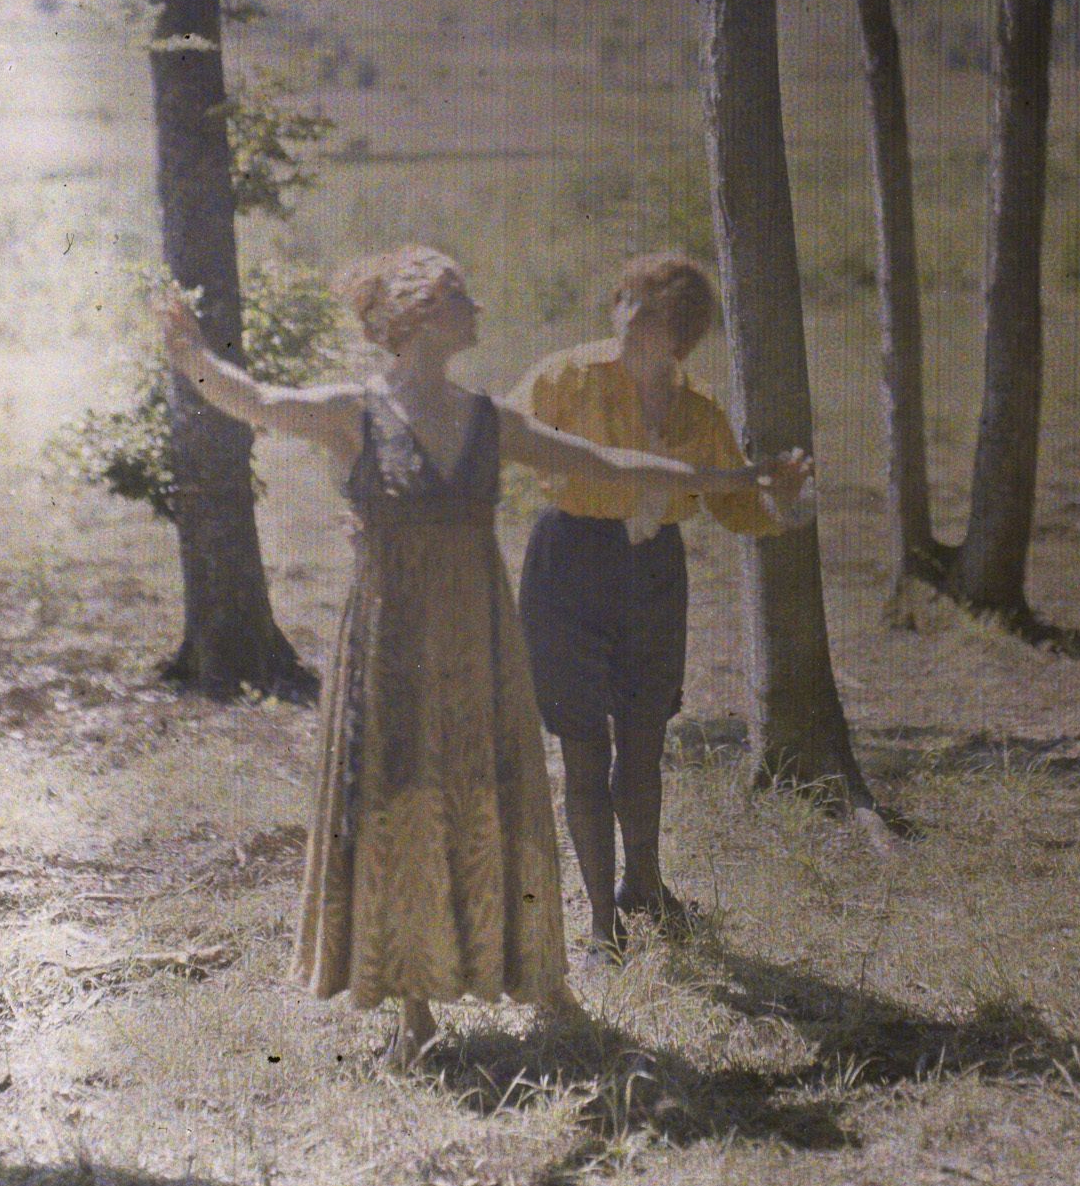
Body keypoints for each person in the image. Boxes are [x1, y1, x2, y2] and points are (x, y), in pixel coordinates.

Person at [159, 245, 772, 1069]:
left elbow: (604, 463)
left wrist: (740, 476)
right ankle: (412, 1012)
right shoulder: (355, 411)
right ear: (419, 316)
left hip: (483, 639)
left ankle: (544, 980)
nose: (479, 310)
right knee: (402, 806)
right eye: (462, 299)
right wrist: (192, 356)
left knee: (502, 801)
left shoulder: (489, 418)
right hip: (391, 641)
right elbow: (258, 402)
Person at [512, 251, 814, 960]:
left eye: (645, 311)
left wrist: (787, 502)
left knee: (644, 744)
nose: (626, 319)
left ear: (678, 334)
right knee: (583, 749)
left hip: (652, 574)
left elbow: (741, 510)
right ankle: (598, 926)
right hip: (568, 564)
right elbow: (503, 437)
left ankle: (643, 889)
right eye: (622, 302)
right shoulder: (567, 376)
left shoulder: (700, 409)